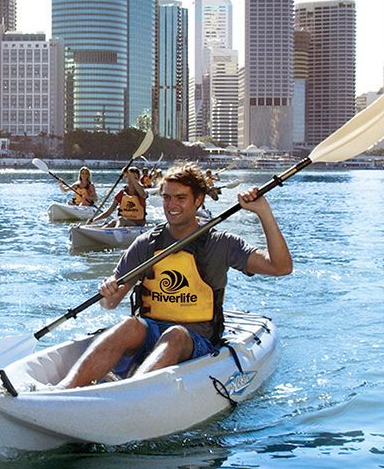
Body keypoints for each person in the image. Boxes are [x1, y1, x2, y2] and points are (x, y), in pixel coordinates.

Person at [59, 162, 291, 388]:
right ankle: (64, 389)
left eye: (181, 198)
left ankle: (129, 392)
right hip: (151, 331)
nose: (171, 205)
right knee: (129, 325)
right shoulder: (146, 243)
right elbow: (110, 304)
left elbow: (280, 267)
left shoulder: (221, 243)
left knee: (175, 335)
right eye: (167, 197)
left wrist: (263, 212)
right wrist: (108, 291)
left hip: (196, 340)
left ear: (198, 200)